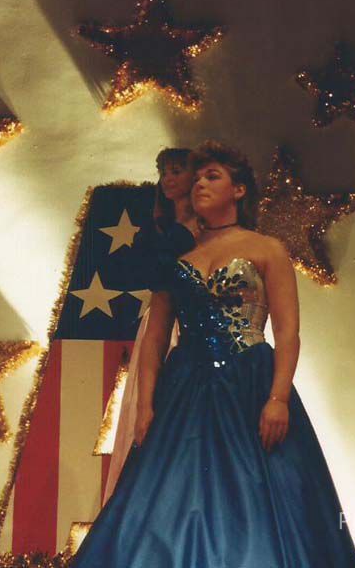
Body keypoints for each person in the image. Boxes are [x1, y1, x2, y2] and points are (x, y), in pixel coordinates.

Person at [71, 141, 355, 567]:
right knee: (165, 500)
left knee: (262, 496)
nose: (199, 186)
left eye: (212, 177)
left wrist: (278, 398)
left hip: (249, 384)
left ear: (239, 190)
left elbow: (287, 332)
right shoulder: (175, 257)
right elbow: (155, 339)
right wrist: (145, 406)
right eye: (195, 181)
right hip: (184, 389)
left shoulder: (267, 249)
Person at [103, 147, 200, 505]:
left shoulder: (206, 231)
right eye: (164, 172)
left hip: (193, 325)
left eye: (177, 171)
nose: (169, 179)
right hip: (162, 318)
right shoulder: (157, 230)